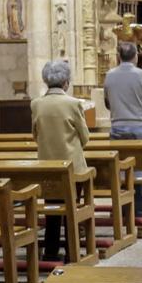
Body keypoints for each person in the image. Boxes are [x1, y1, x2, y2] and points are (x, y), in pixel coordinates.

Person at [32, 59, 89, 261]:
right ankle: (72, 252)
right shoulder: (73, 104)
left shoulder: (36, 104)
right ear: (66, 82)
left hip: (47, 166)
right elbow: (85, 138)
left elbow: (35, 134)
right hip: (73, 167)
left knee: (52, 209)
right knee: (71, 207)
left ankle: (50, 250)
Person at [104, 42, 142, 218]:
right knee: (139, 167)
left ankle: (122, 208)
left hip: (117, 126)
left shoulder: (109, 76)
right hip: (139, 126)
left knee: (120, 168)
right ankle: (139, 209)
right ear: (136, 56)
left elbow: (107, 102)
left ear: (118, 57)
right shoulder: (141, 75)